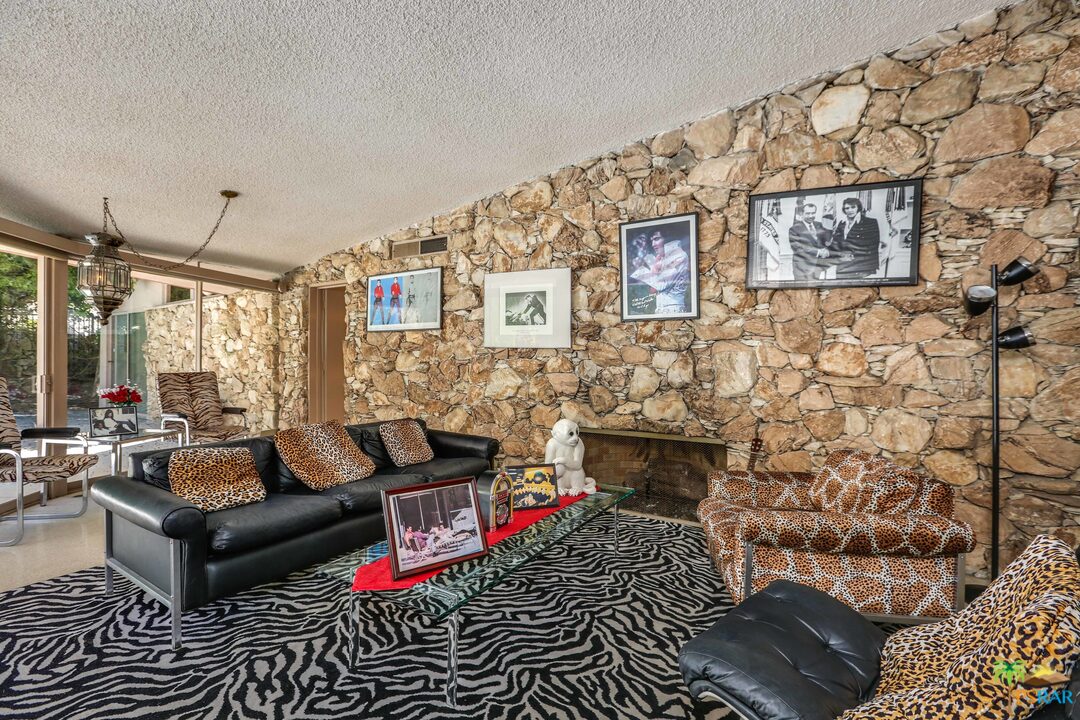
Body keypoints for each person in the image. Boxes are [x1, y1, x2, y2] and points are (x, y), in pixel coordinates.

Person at [831, 197, 881, 280]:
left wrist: (851, 255)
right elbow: (836, 243)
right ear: (844, 210)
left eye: (853, 207)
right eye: (847, 208)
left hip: (861, 266)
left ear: (858, 208)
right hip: (842, 265)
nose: (850, 210)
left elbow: (873, 245)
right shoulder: (842, 223)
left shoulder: (870, 222)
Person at [648, 230, 690, 314]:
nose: (653, 244)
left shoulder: (679, 256)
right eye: (652, 240)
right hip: (661, 310)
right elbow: (652, 290)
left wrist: (654, 268)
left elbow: (659, 286)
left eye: (656, 239)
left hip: (674, 310)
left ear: (667, 238)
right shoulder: (662, 258)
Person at [787, 203, 830, 281]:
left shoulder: (819, 225)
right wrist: (817, 252)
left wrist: (826, 249)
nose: (811, 216)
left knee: (814, 291)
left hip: (817, 267)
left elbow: (825, 242)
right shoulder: (794, 229)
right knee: (803, 292)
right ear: (802, 214)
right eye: (808, 213)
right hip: (802, 268)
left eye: (813, 213)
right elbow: (797, 248)